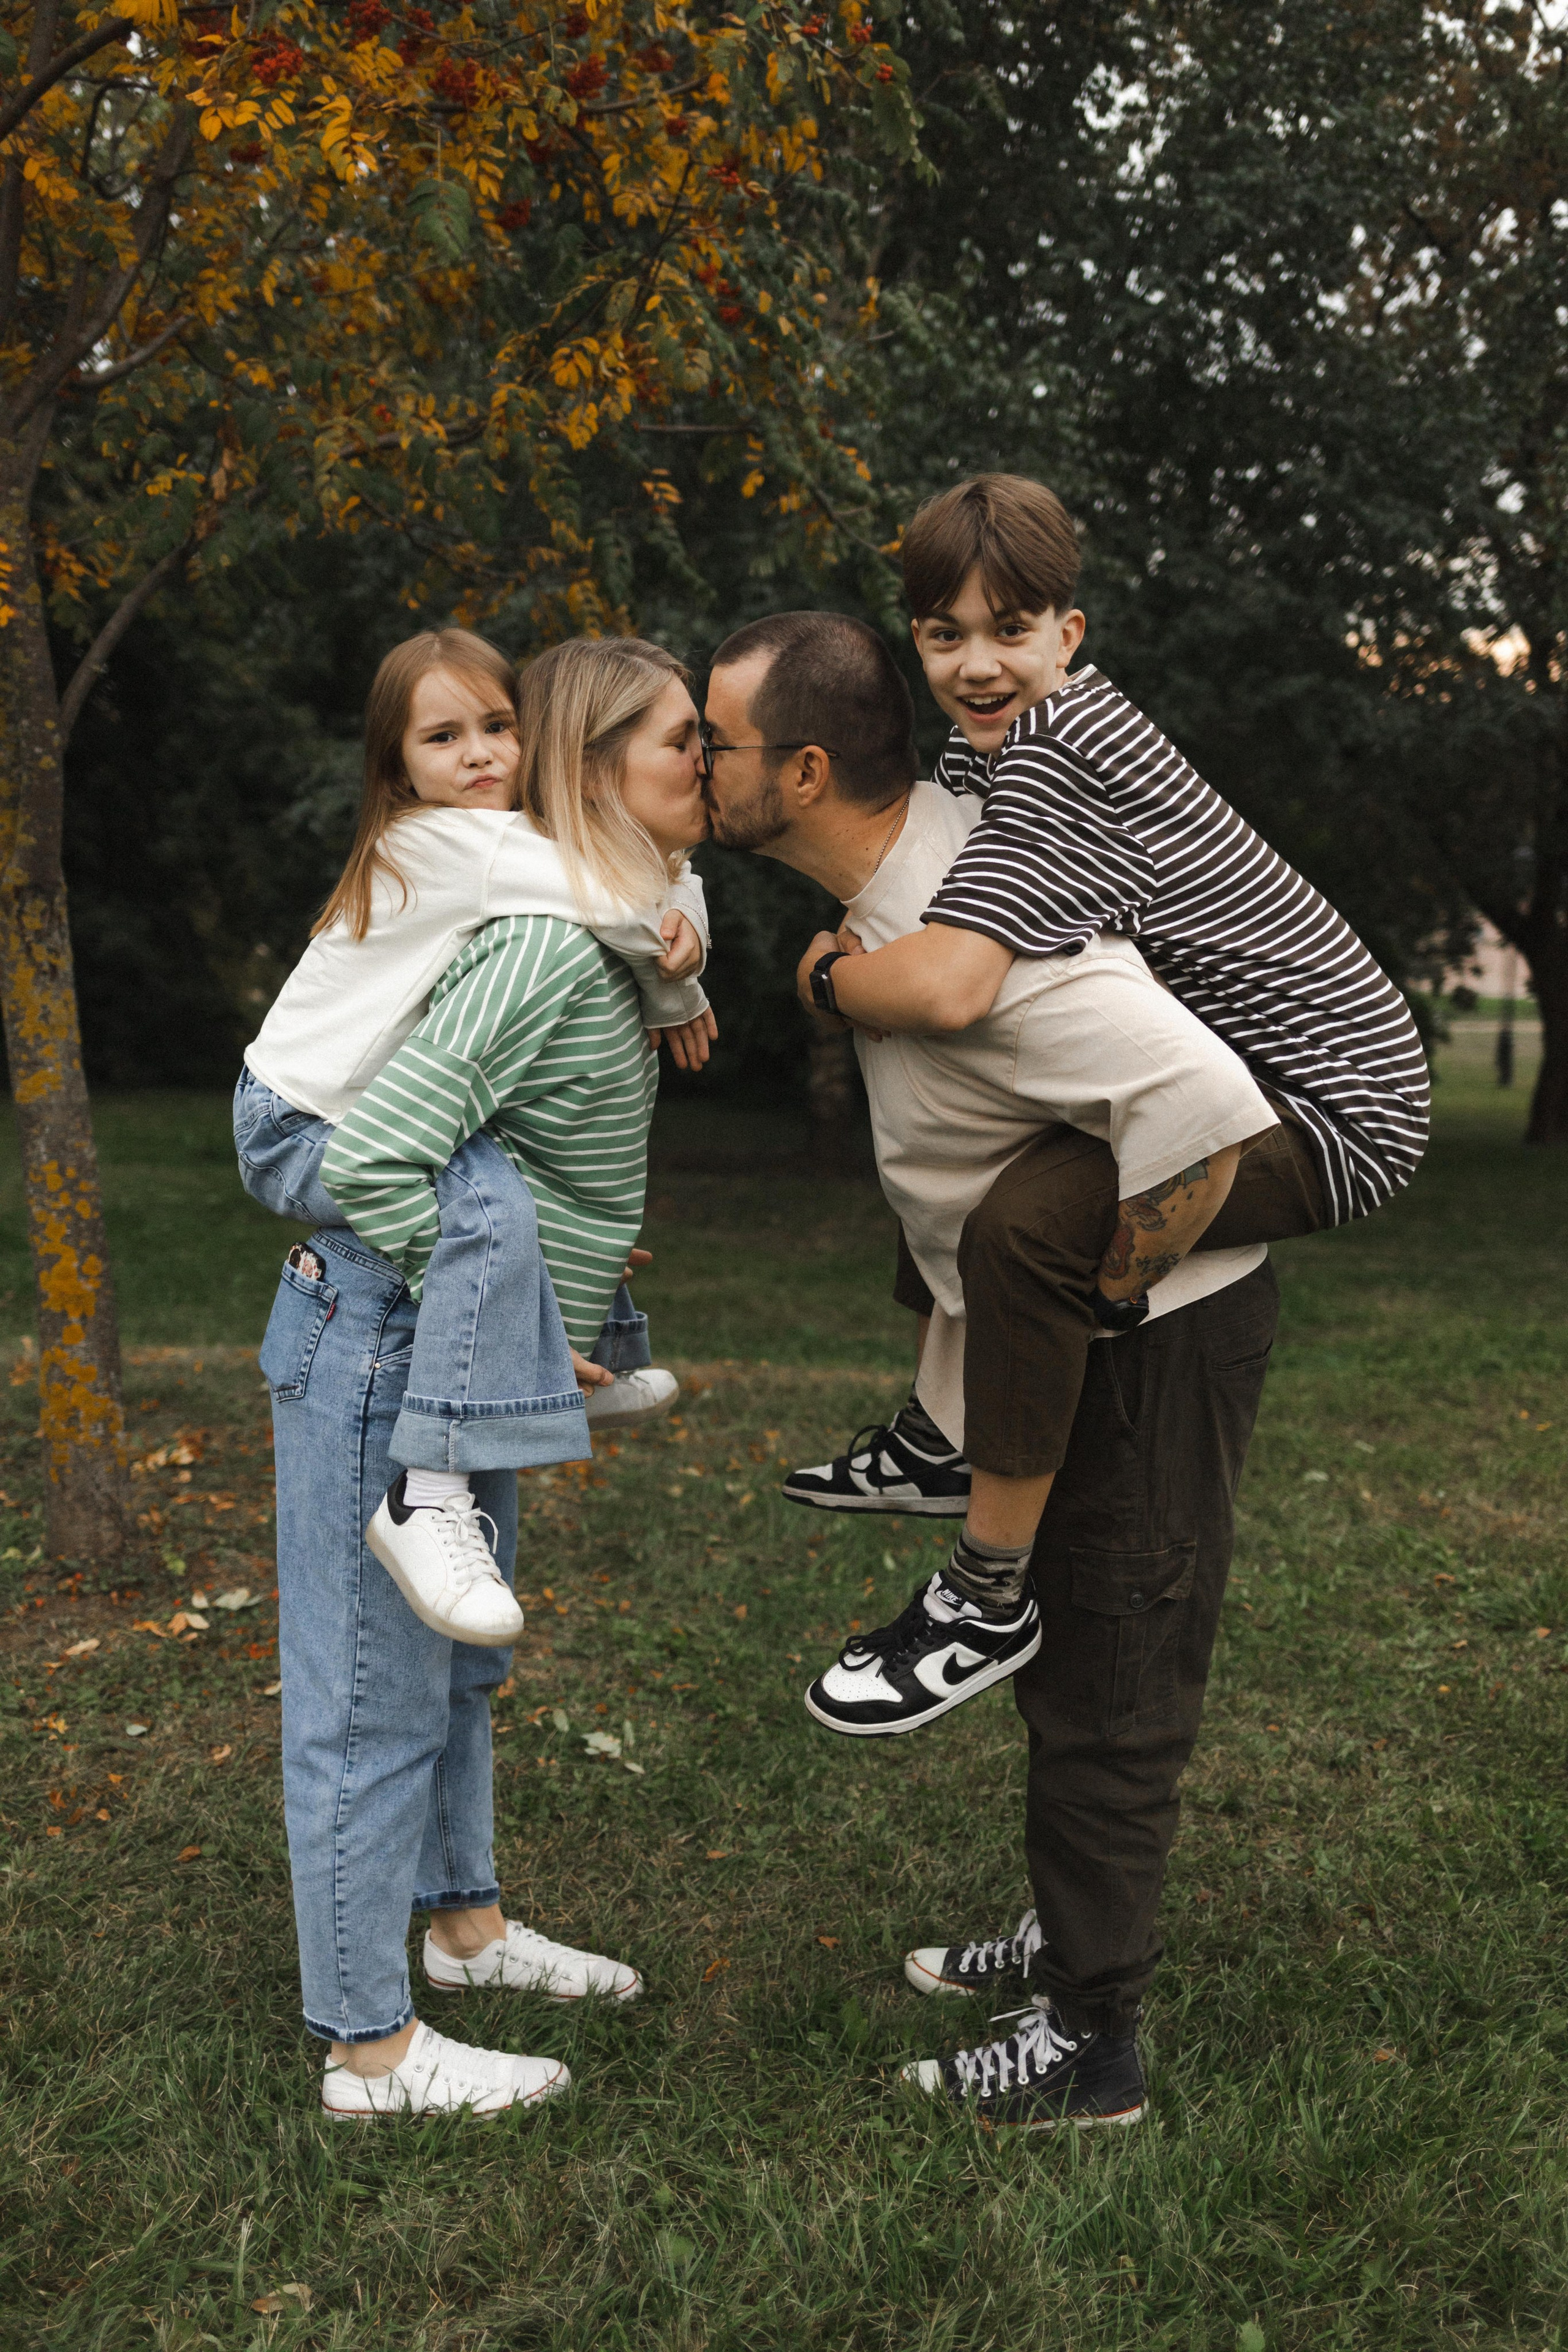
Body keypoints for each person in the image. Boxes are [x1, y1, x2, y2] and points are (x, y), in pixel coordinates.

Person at [700, 602, 1422, 2128]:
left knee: (1110, 1662)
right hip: (1066, 1306)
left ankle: (1091, 2047)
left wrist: (841, 994)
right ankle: (1069, 1924)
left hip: (1163, 1306)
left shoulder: (978, 910)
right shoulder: (906, 893)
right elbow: (947, 1170)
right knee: (1072, 1646)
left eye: (714, 743)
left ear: (807, 768)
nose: (697, 765)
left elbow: (1188, 1094)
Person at [777, 476, 1427, 1714]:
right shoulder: (1037, 744)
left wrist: (825, 976)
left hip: (1331, 1106)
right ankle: (940, 1430)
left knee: (1028, 1226)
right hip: (1287, 1067)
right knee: (974, 1136)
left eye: (1008, 629)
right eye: (943, 634)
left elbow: (955, 983)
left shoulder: (1050, 765)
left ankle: (982, 1596)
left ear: (1066, 636)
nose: (976, 663)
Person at [244, 634, 711, 2119]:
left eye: (496, 727)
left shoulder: (557, 909)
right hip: (376, 1327)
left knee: (452, 1680)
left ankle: (465, 1932)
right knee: (372, 1700)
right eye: (680, 741)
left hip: (422, 1327)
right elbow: (381, 1161)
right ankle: (369, 2052)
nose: (709, 765)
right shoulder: (507, 904)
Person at [240, 625, 714, 1645]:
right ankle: (432, 1485)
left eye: (499, 726)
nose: (482, 756)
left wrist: (688, 923)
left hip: (342, 1104)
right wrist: (680, 971)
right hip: (294, 1119)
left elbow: (632, 871)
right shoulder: (450, 843)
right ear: (398, 771)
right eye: (443, 739)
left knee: (531, 1175)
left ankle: (565, 1362)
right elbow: (613, 889)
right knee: (487, 1201)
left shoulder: (501, 845)